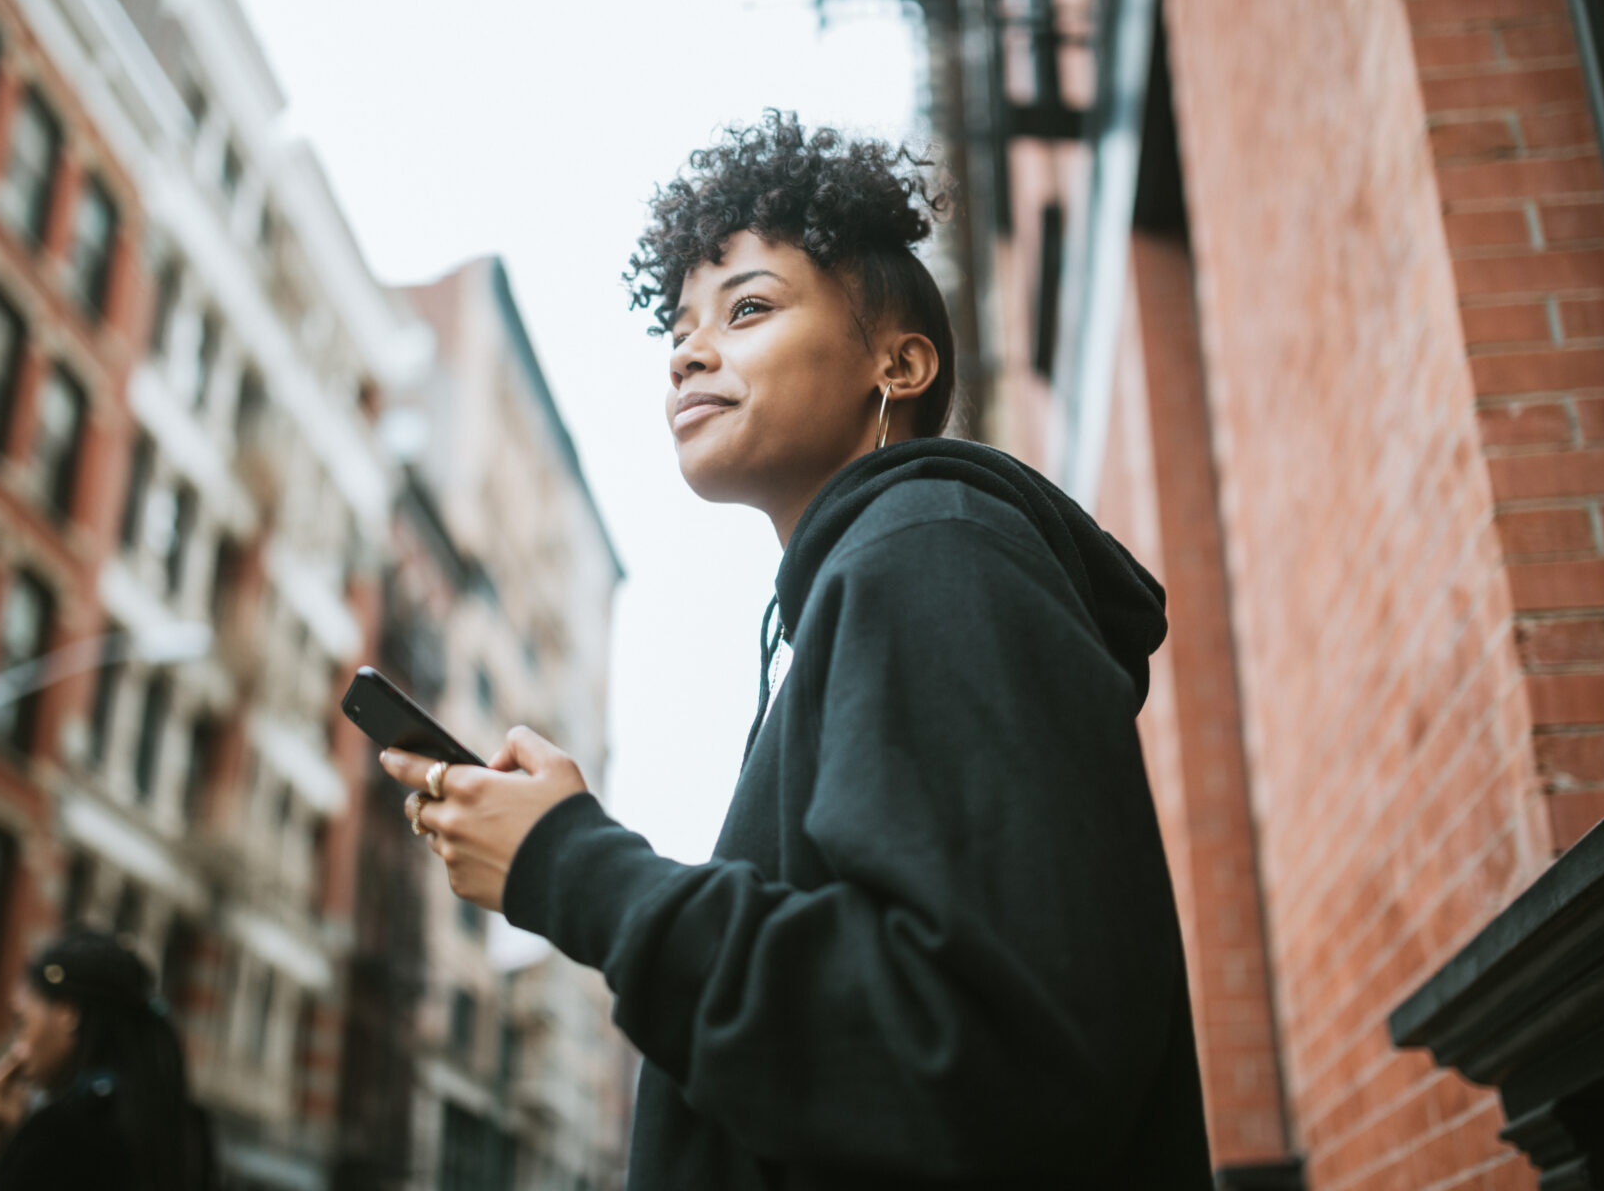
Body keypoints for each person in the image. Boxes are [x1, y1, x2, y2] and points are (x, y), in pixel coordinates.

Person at [382, 109, 1212, 1188]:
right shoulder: (867, 591)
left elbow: (977, 1050)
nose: (689, 350)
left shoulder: (933, 558)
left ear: (899, 363)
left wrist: (572, 864)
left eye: (751, 308)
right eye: (678, 325)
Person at [0, 928, 217, 1191]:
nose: (16, 1049)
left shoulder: (62, 1134)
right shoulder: (186, 1131)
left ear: (69, 1013)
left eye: (21, 1023)